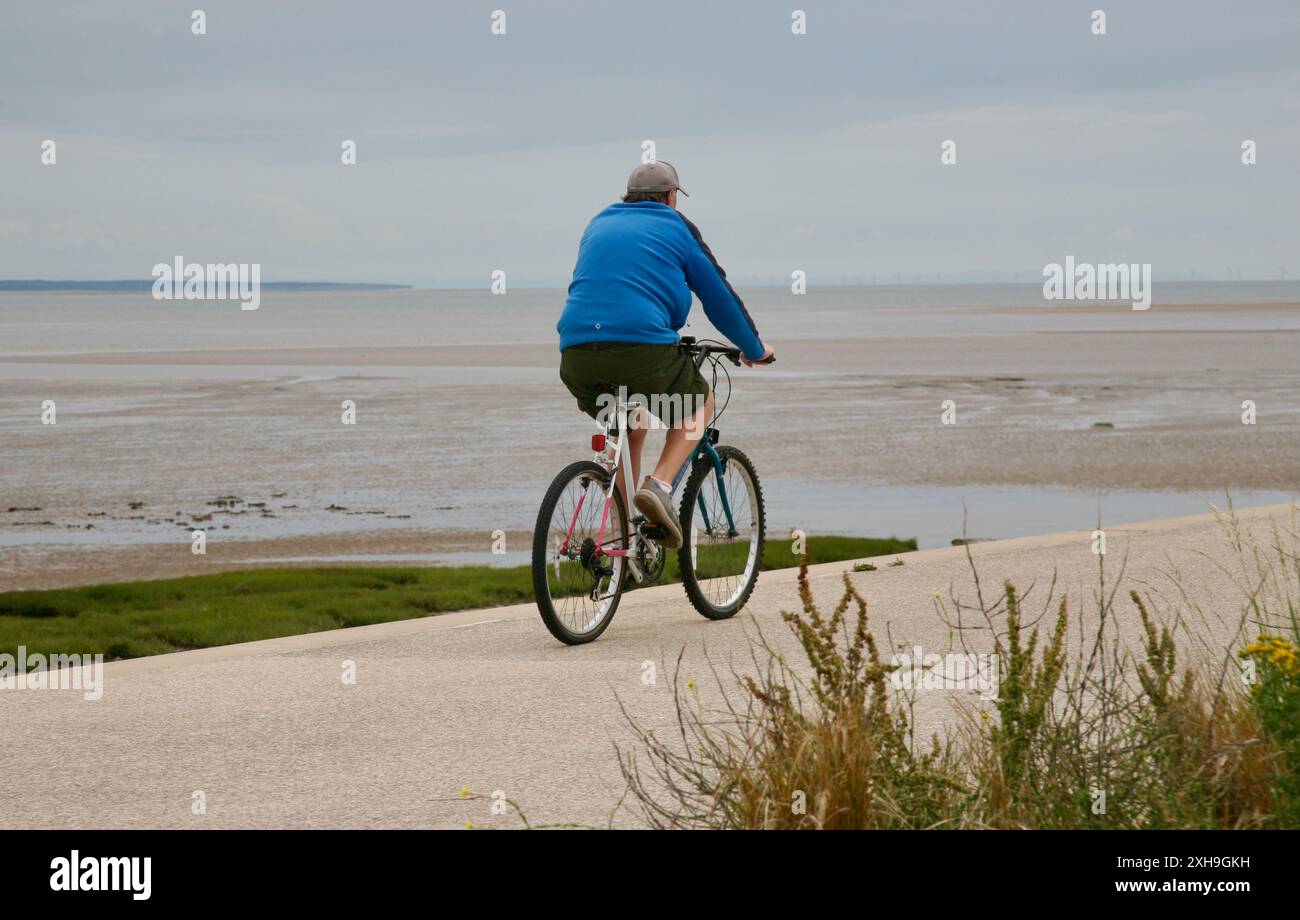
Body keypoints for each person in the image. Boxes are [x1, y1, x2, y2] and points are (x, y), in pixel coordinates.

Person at [556, 160, 774, 549]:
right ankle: (659, 486)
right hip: (642, 350)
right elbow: (718, 297)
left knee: (632, 425)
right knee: (699, 405)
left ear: (629, 196)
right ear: (672, 198)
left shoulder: (598, 222)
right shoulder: (676, 226)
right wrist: (754, 349)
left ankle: (622, 541)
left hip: (576, 355)